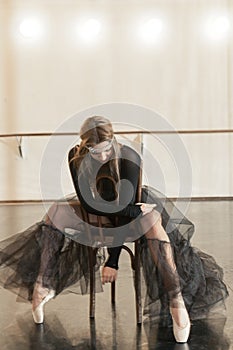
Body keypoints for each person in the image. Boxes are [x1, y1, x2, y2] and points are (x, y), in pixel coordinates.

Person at [0, 116, 228, 344]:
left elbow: (121, 216)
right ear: (83, 146)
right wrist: (134, 212)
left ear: (113, 142)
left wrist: (113, 260)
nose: (101, 156)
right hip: (107, 214)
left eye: (106, 150)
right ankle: (43, 284)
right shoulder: (76, 156)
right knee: (56, 211)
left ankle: (176, 301)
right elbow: (88, 203)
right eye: (93, 151)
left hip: (125, 218)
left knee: (153, 219)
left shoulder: (128, 158)